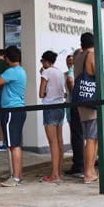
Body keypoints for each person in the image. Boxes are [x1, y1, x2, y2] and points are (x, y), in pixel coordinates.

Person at [73, 33, 104, 184]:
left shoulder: (78, 58)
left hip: (82, 100)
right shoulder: (92, 56)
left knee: (90, 137)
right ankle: (89, 172)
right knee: (92, 138)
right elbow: (102, 81)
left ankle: (90, 170)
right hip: (93, 103)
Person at [0, 45, 27, 187]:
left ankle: (16, 177)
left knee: (13, 145)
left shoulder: (11, 72)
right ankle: (15, 173)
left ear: (8, 58)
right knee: (14, 144)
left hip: (11, 110)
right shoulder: (21, 71)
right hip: (18, 110)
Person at [38, 50, 66, 183]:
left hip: (49, 107)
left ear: (45, 61)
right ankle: (59, 170)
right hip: (61, 106)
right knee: (59, 141)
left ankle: (54, 174)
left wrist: (42, 76)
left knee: (52, 143)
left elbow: (41, 93)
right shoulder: (59, 72)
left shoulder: (46, 72)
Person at [65, 51, 84, 177]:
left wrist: (74, 95)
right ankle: (83, 164)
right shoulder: (83, 68)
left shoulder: (74, 69)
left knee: (77, 135)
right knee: (84, 135)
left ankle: (79, 165)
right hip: (84, 104)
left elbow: (70, 81)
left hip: (76, 105)